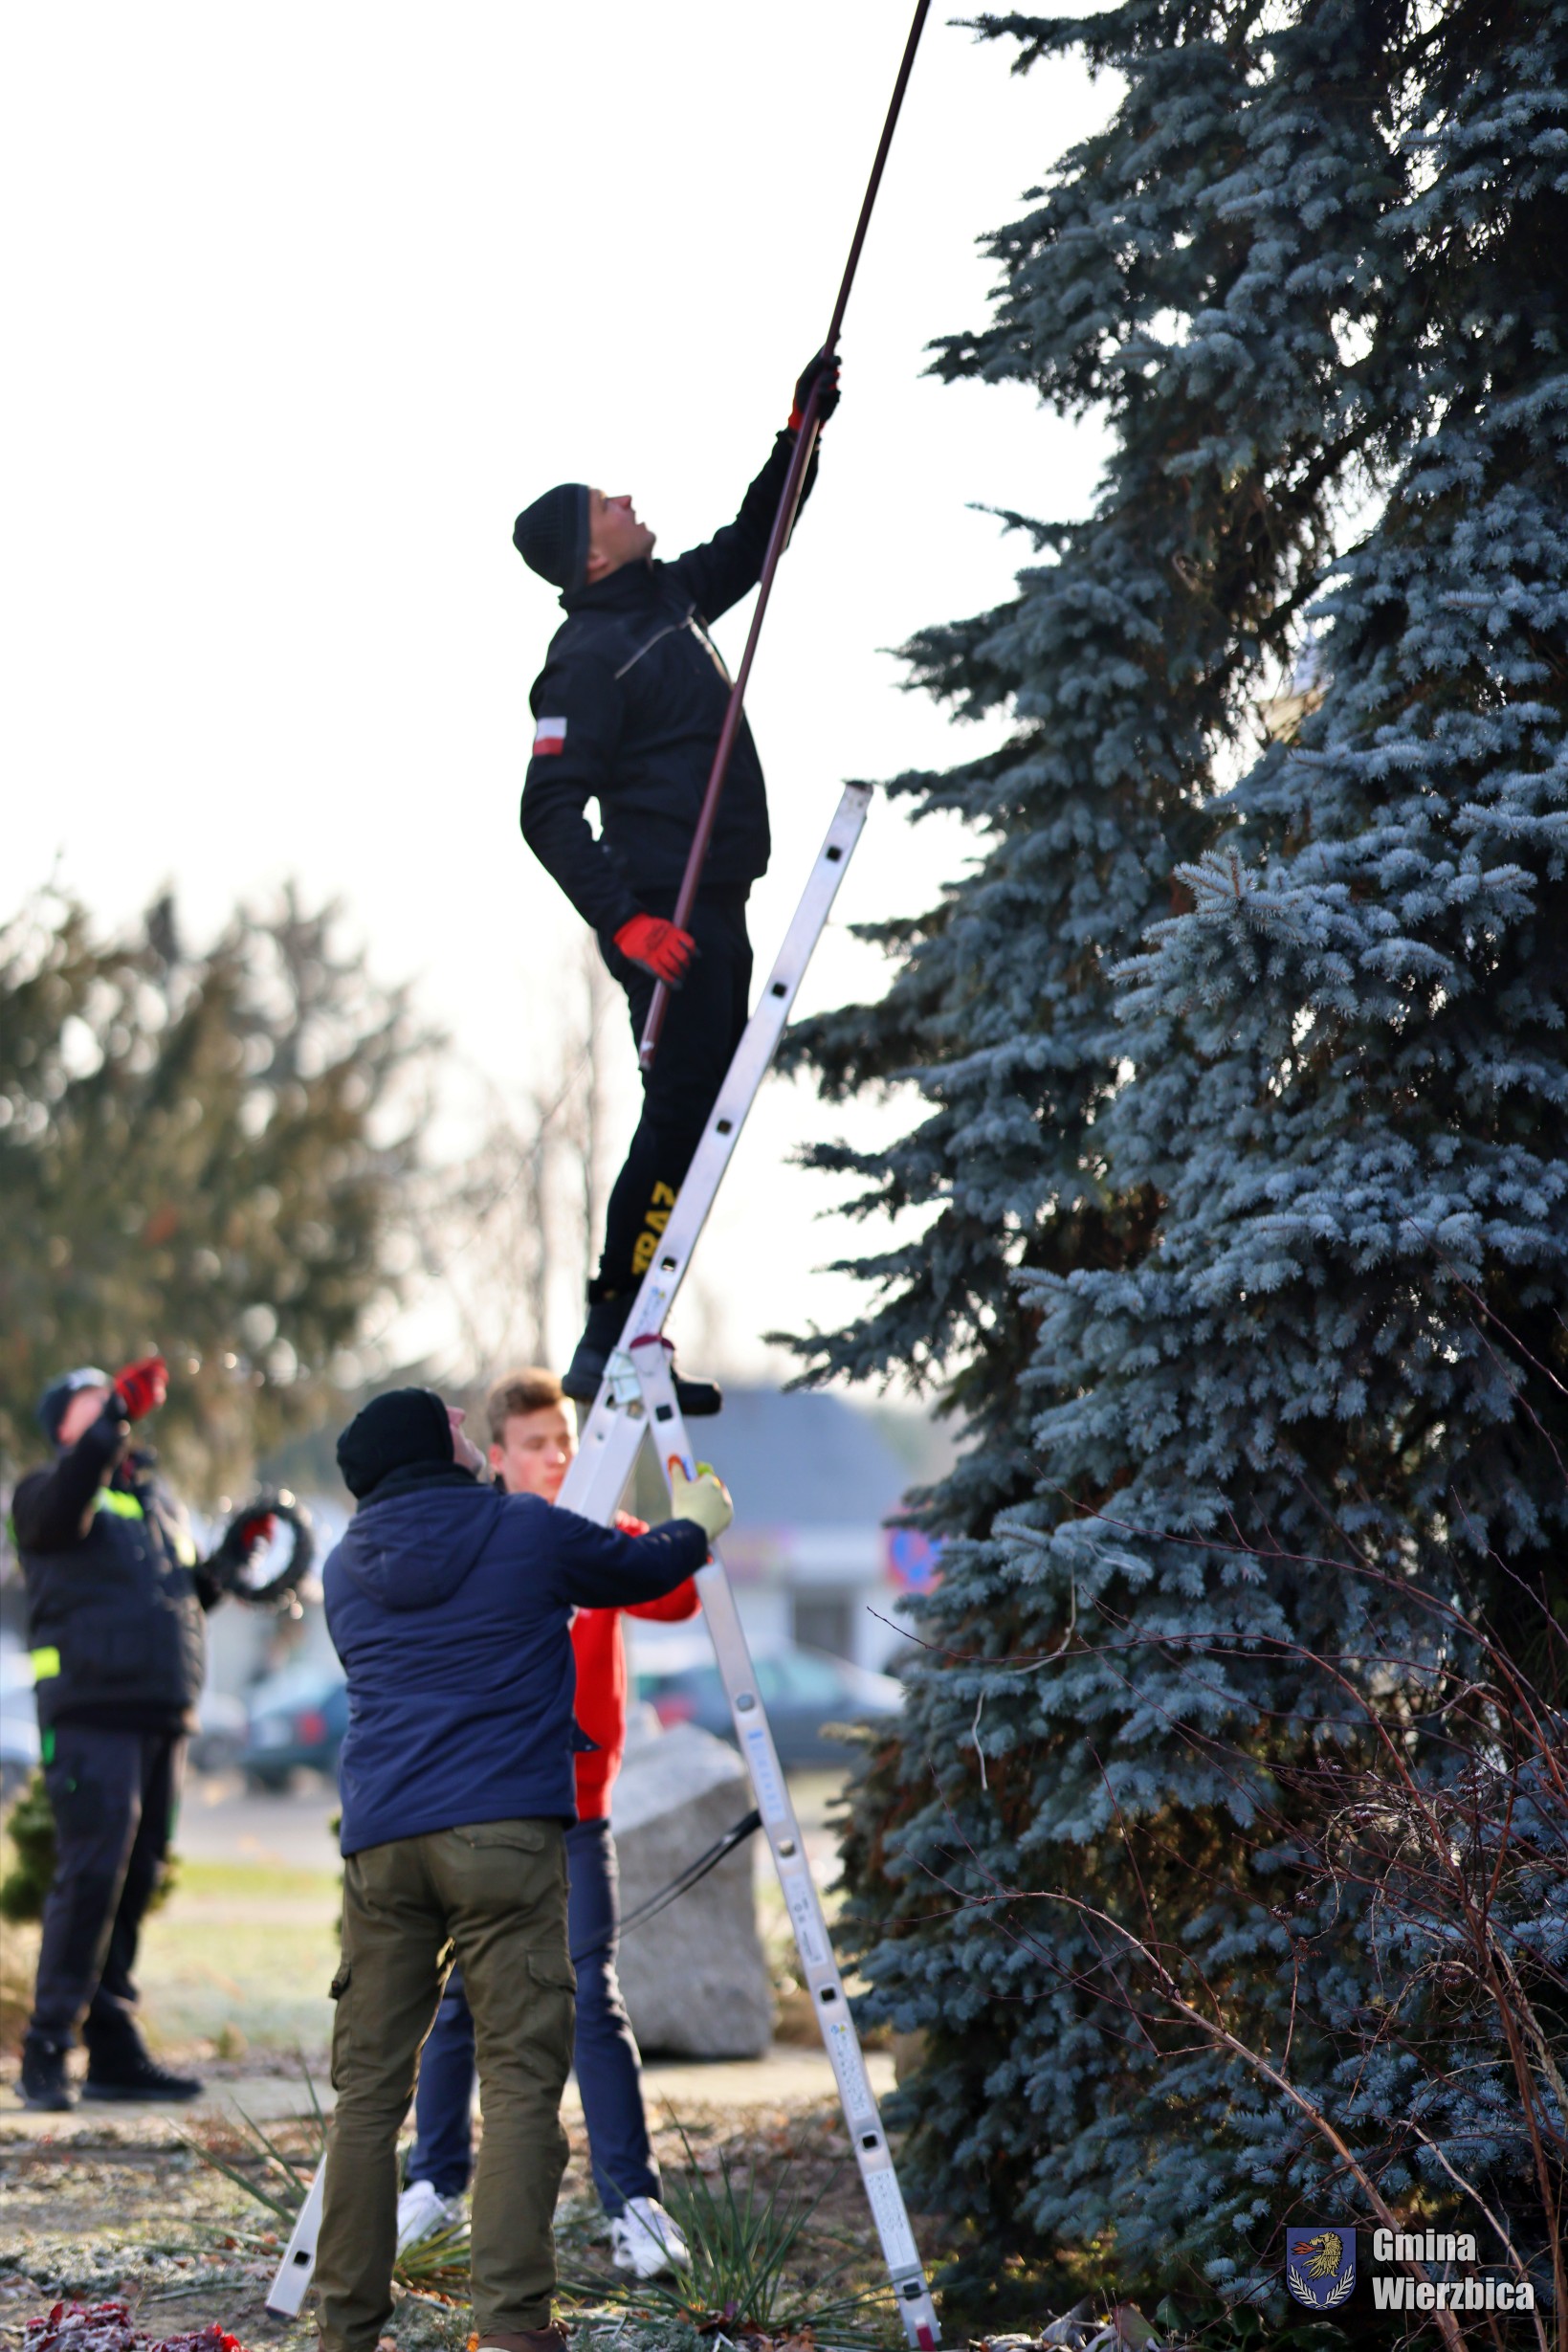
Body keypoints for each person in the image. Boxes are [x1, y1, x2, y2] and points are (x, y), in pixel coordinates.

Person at [312, 1386, 733, 2352]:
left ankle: (344, 2335)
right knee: (517, 2082)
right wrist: (695, 1523)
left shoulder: (344, 1567)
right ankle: (510, 2329)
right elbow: (639, 1569)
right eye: (452, 1423)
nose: (467, 1429)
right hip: (503, 1834)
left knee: (367, 2097)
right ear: (431, 1449)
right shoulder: (523, 1531)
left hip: (382, 1846)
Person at [513, 350, 842, 1410]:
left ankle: (631, 1331)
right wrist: (627, 925)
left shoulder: (661, 598)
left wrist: (799, 435)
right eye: (605, 505)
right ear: (587, 554)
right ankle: (609, 1332)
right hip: (668, 916)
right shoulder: (584, 658)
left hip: (716, 901)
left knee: (700, 1124)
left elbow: (755, 542)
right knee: (681, 1119)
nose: (626, 500)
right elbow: (546, 811)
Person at [396, 1366, 700, 2279]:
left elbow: (674, 1597)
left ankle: (633, 2203)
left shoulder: (602, 1533)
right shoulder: (483, 1536)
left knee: (590, 1999)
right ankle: (432, 2186)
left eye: (566, 1440)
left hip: (577, 1807)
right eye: (536, 1445)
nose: (558, 1457)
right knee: (459, 1995)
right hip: (484, 1804)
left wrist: (687, 1523)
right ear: (498, 1457)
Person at [11, 1356, 266, 2112]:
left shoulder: (157, 1504)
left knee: (138, 1876)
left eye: (112, 1400)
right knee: (92, 1873)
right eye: (92, 1403)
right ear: (63, 1427)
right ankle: (46, 2047)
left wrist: (232, 1558)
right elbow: (65, 1506)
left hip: (161, 1713)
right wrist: (114, 1418)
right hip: (90, 1712)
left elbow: (182, 1597)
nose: (109, 1410)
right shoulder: (45, 1492)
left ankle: (114, 2047)